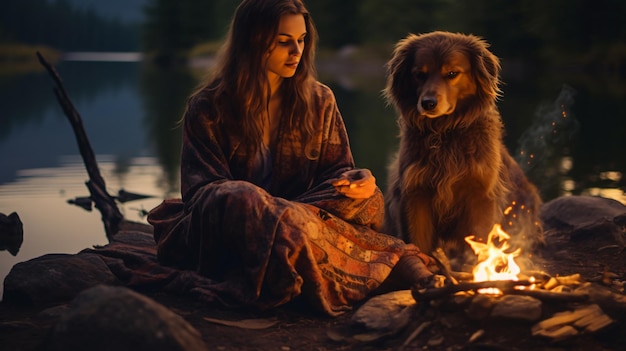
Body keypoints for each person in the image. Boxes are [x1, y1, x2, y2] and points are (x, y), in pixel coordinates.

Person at [147, 0, 435, 316]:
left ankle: (294, 231)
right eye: (285, 42)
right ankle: (395, 262)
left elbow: (337, 171)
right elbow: (201, 193)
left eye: (301, 40)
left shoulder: (319, 99)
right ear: (253, 40)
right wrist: (268, 209)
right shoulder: (208, 106)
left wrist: (358, 181)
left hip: (305, 212)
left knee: (371, 200)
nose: (296, 51)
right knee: (239, 197)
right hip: (235, 223)